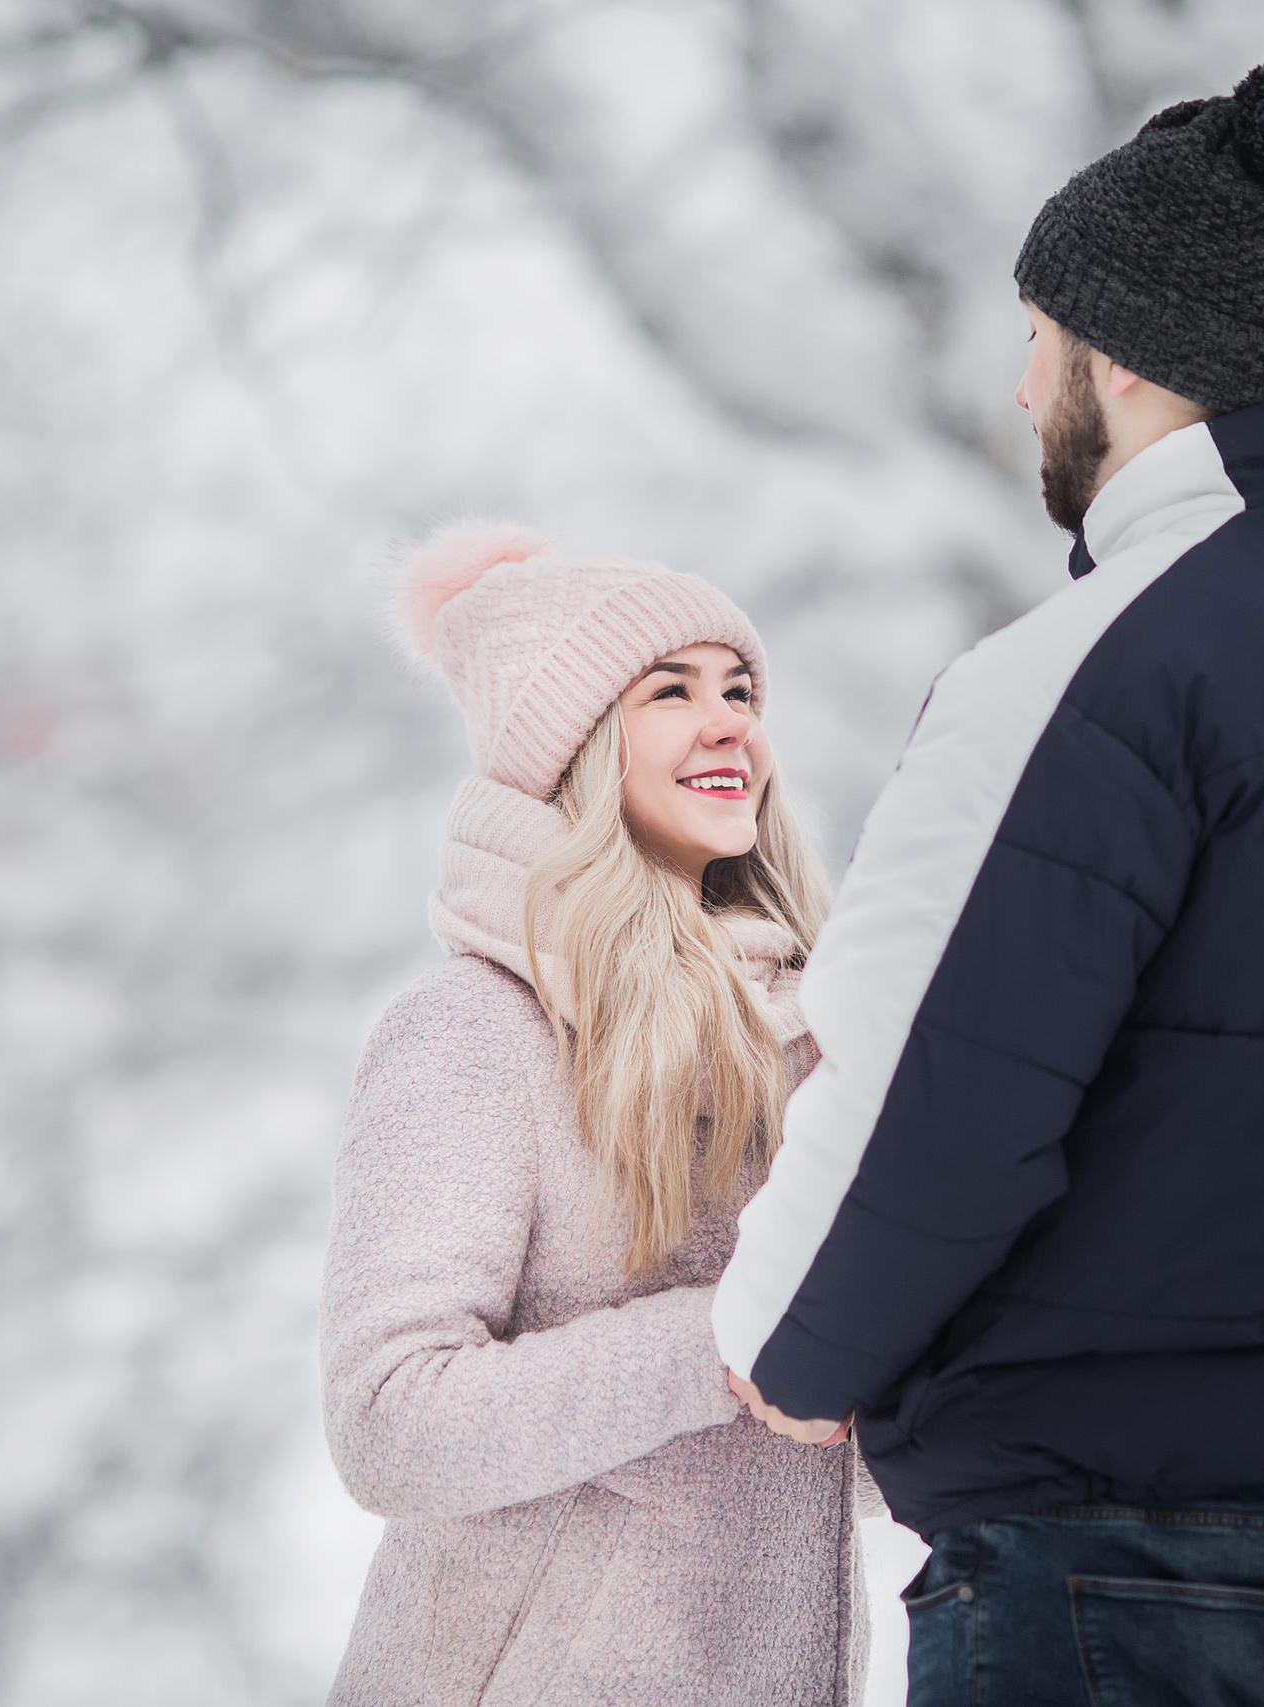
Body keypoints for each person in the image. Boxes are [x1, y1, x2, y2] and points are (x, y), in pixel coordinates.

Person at [715, 53, 1264, 1706]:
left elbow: (933, 1094)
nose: (1020, 384)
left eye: (1032, 340)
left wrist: (791, 1343)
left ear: (1109, 357)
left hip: (1104, 1569)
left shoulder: (1085, 676)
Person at [321, 525, 874, 1705]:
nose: (730, 721)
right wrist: (726, 1342)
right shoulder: (477, 1033)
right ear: (567, 752)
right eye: (670, 693)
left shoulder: (816, 1027)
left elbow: (831, 1437)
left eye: (738, 689)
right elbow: (391, 1421)